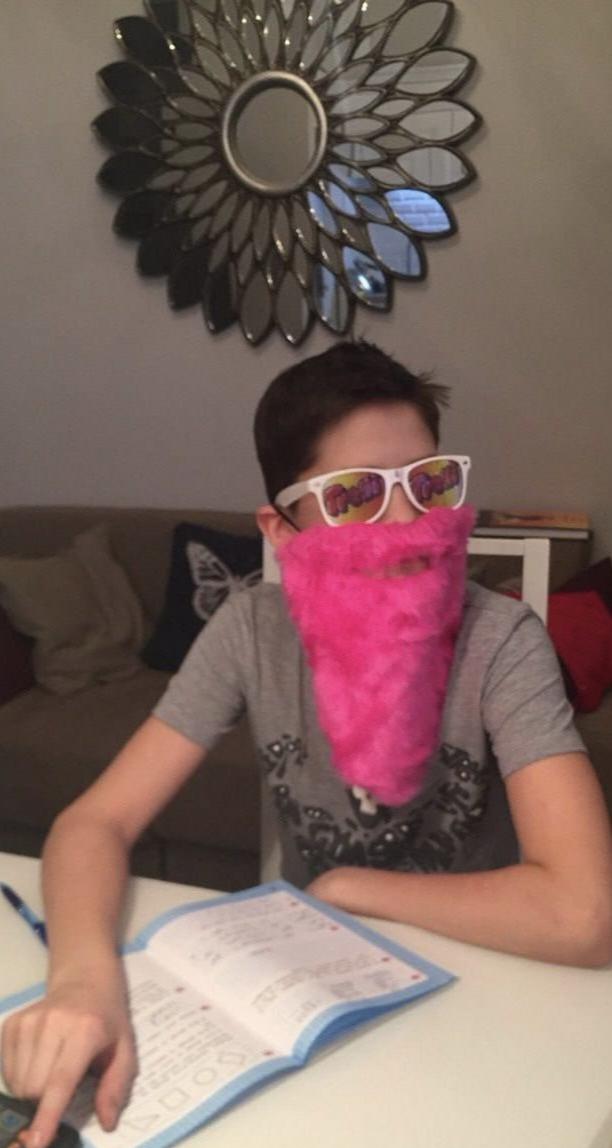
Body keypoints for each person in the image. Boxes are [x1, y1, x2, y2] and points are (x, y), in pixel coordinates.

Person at [2, 341, 611, 1148]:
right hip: (304, 986)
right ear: (282, 530)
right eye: (355, 495)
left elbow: (584, 913)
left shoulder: (501, 639)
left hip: (478, 976)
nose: (409, 524)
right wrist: (82, 981)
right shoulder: (252, 630)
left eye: (430, 483)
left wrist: (352, 886)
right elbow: (95, 823)